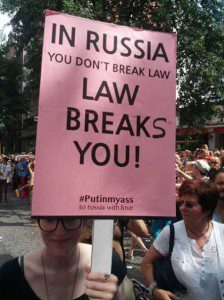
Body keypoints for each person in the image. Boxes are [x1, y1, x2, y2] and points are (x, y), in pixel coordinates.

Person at [0, 217, 125, 300]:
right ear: (37, 220)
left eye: (70, 219)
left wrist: (115, 297)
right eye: (49, 219)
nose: (59, 232)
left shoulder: (108, 264)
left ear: (84, 221)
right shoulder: (10, 275)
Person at [141, 179, 224, 300]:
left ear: (207, 209)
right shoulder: (171, 232)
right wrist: (154, 289)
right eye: (181, 203)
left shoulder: (221, 232)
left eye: (189, 204)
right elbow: (146, 263)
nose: (182, 208)